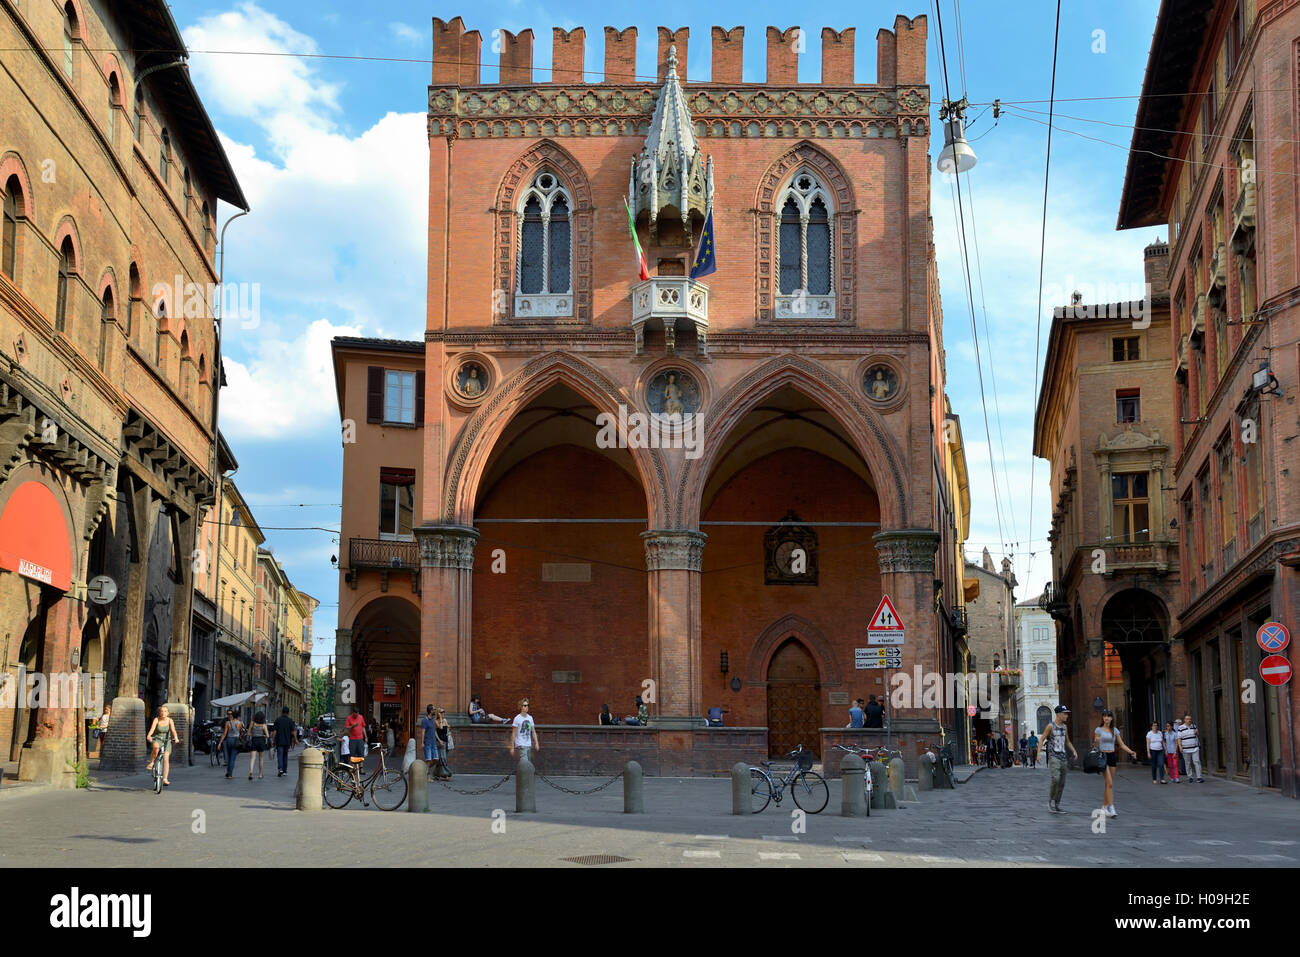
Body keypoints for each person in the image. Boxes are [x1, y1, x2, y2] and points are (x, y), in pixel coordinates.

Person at [1093, 709, 1138, 817]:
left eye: (1108, 716)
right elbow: (1095, 745)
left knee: (1108, 784)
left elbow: (1121, 744)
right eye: (1104, 716)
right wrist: (1096, 742)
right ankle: (1112, 808)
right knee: (1109, 783)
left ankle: (1104, 807)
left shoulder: (1115, 730)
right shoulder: (1098, 730)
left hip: (1112, 756)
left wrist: (1131, 752)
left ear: (1112, 718)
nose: (1106, 718)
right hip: (1103, 756)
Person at [1042, 704, 1079, 813]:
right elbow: (1042, 739)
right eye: (1065, 713)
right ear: (1058, 714)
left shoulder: (1065, 727)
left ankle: (1056, 803)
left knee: (1062, 782)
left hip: (1063, 757)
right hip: (1054, 756)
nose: (1067, 716)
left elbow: (1067, 741)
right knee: (1056, 779)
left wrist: (1074, 750)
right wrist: (1039, 754)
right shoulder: (1050, 726)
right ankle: (1050, 800)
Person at [145, 705, 178, 786]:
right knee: (155, 747)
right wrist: (149, 736)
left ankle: (165, 779)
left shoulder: (170, 720)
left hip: (167, 741)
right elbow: (152, 729)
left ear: (168, 713)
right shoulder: (156, 720)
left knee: (166, 759)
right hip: (158, 739)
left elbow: (173, 730)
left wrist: (176, 738)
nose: (163, 713)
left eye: (165, 711)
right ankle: (152, 762)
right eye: (161, 711)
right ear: (159, 712)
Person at [508, 698, 541, 765]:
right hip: (520, 745)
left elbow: (533, 732)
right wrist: (512, 747)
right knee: (525, 764)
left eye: (528, 705)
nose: (527, 707)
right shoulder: (517, 718)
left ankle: (521, 775)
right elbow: (513, 734)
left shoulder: (530, 718)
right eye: (525, 705)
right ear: (521, 707)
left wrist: (537, 743)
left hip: (528, 745)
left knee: (526, 764)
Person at [216, 709, 244, 779]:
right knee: (232, 758)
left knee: (228, 757)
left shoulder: (228, 723)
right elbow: (241, 733)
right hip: (236, 741)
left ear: (232, 715)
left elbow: (224, 733)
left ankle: (228, 772)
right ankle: (230, 774)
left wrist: (220, 743)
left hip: (229, 740)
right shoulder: (240, 723)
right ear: (238, 716)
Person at [1178, 714, 1204, 783]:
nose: (1189, 720)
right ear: (1185, 720)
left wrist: (1196, 732)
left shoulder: (1194, 726)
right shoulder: (1181, 728)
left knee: (1197, 762)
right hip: (1185, 749)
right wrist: (1180, 746)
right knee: (1188, 763)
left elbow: (1197, 734)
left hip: (1195, 748)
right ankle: (1190, 777)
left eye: (1190, 719)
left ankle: (1199, 777)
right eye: (1187, 719)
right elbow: (1179, 738)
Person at [272, 706, 297, 777]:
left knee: (279, 755)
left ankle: (280, 769)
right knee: (285, 756)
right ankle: (285, 771)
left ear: (281, 712)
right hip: (287, 741)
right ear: (288, 713)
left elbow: (274, 731)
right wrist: (295, 739)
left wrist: (272, 739)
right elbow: (293, 731)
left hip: (279, 741)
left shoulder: (278, 720)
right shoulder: (290, 721)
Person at [246, 710, 270, 780]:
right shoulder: (264, 725)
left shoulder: (252, 723)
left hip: (254, 740)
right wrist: (263, 735)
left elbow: (248, 733)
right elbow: (268, 736)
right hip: (261, 741)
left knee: (252, 758)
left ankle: (251, 771)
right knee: (261, 758)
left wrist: (253, 734)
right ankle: (260, 774)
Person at [433, 708, 452, 779]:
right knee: (443, 759)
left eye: (444, 712)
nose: (443, 713)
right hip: (440, 742)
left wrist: (449, 728)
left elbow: (448, 728)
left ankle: (436, 774)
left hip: (446, 741)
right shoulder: (436, 721)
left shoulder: (445, 720)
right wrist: (439, 740)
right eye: (442, 712)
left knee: (442, 759)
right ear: (438, 713)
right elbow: (439, 728)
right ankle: (446, 774)